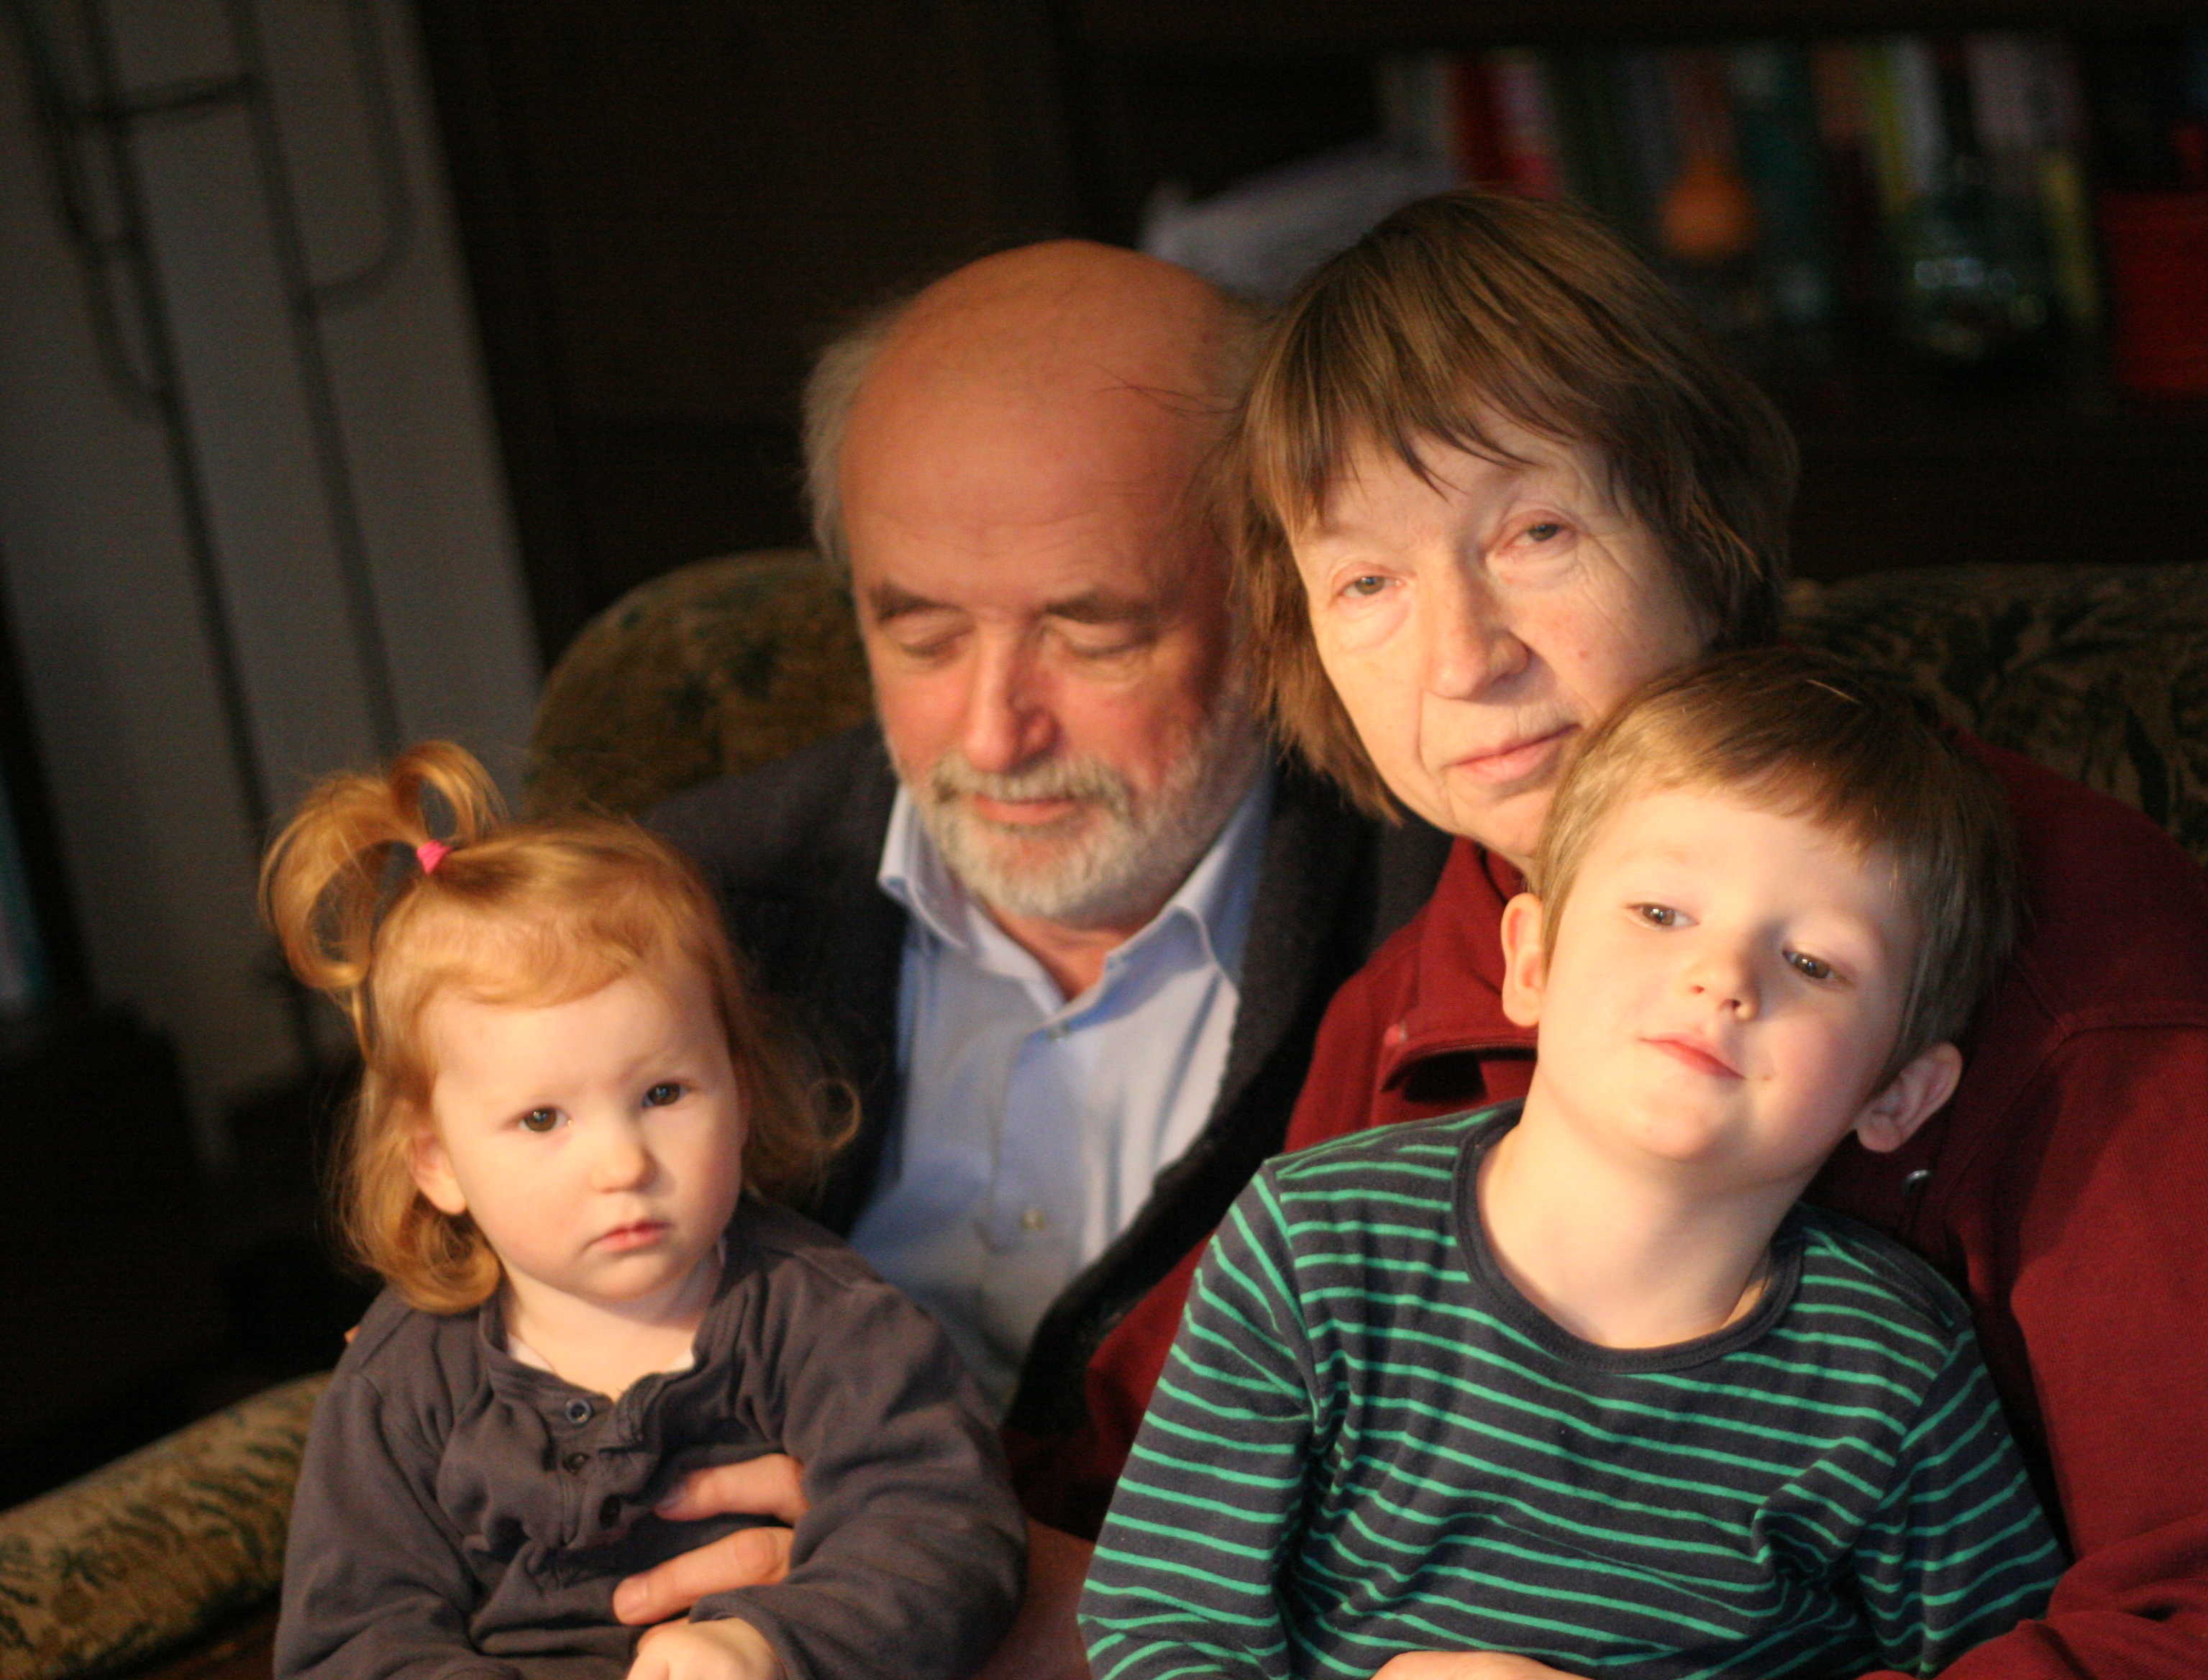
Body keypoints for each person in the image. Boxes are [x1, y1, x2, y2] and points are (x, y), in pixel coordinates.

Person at [1190, 189, 2208, 1679]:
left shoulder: (2067, 947)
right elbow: (1151, 1512)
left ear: (1697, 533)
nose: (1463, 658)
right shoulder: (1413, 991)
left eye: (1536, 532)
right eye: (1367, 583)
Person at [631, 242, 1443, 1649]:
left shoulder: (1452, 925)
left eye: (1093, 634)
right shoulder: (682, 911)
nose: (996, 733)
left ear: (1276, 594)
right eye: (922, 634)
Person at [1080, 650, 2064, 1680]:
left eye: (1812, 963)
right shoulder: (1316, 1246)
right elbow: (1165, 1619)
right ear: (1533, 960)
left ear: (1899, 1092)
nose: (1721, 977)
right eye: (1661, 914)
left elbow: (2002, 1662)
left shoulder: (1891, 1370)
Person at [267, 742, 1024, 1680]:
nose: (623, 1163)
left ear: (740, 1094)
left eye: (664, 1094)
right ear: (438, 1163)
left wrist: (771, 1643)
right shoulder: (403, 1383)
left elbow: (945, 1531)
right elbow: (350, 1641)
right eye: (542, 1118)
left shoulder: (827, 1320)